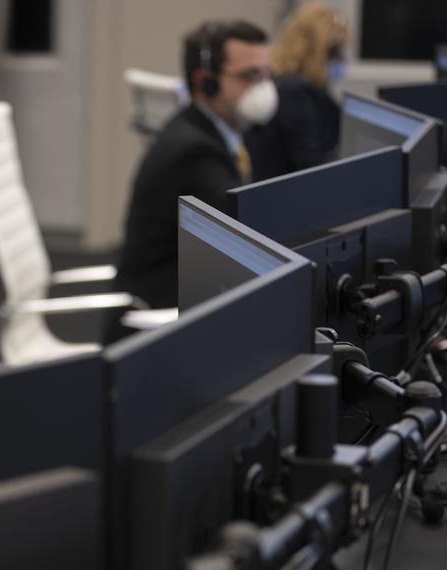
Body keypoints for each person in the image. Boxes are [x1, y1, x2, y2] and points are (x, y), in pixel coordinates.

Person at [107, 20, 275, 340]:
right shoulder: (196, 151)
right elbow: (243, 233)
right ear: (205, 82)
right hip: (150, 320)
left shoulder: (206, 130)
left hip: (172, 294)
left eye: (268, 74)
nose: (264, 88)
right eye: (250, 76)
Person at [245, 1, 350, 181]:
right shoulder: (296, 93)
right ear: (318, 52)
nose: (342, 59)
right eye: (335, 52)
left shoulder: (280, 79)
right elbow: (311, 170)